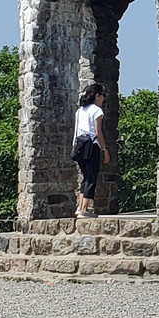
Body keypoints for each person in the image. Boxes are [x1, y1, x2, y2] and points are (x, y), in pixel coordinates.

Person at [72, 83, 110, 218]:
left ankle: (80, 206)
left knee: (85, 177)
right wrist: (104, 149)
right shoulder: (97, 111)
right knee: (92, 177)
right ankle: (85, 209)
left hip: (79, 147)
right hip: (91, 146)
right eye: (103, 96)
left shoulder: (80, 111)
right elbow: (98, 132)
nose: (103, 99)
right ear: (97, 95)